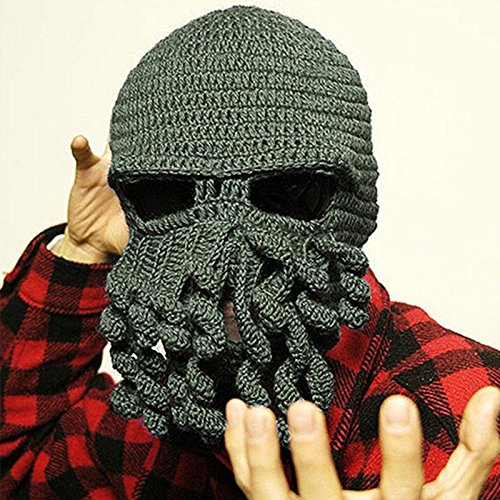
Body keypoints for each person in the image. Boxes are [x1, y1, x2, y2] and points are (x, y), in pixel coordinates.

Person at [1, 6, 499, 499]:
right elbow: (16, 468)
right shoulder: (145, 423)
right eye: (169, 195)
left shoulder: (470, 423)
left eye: (285, 191)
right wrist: (83, 247)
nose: (222, 245)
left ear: (353, 199)